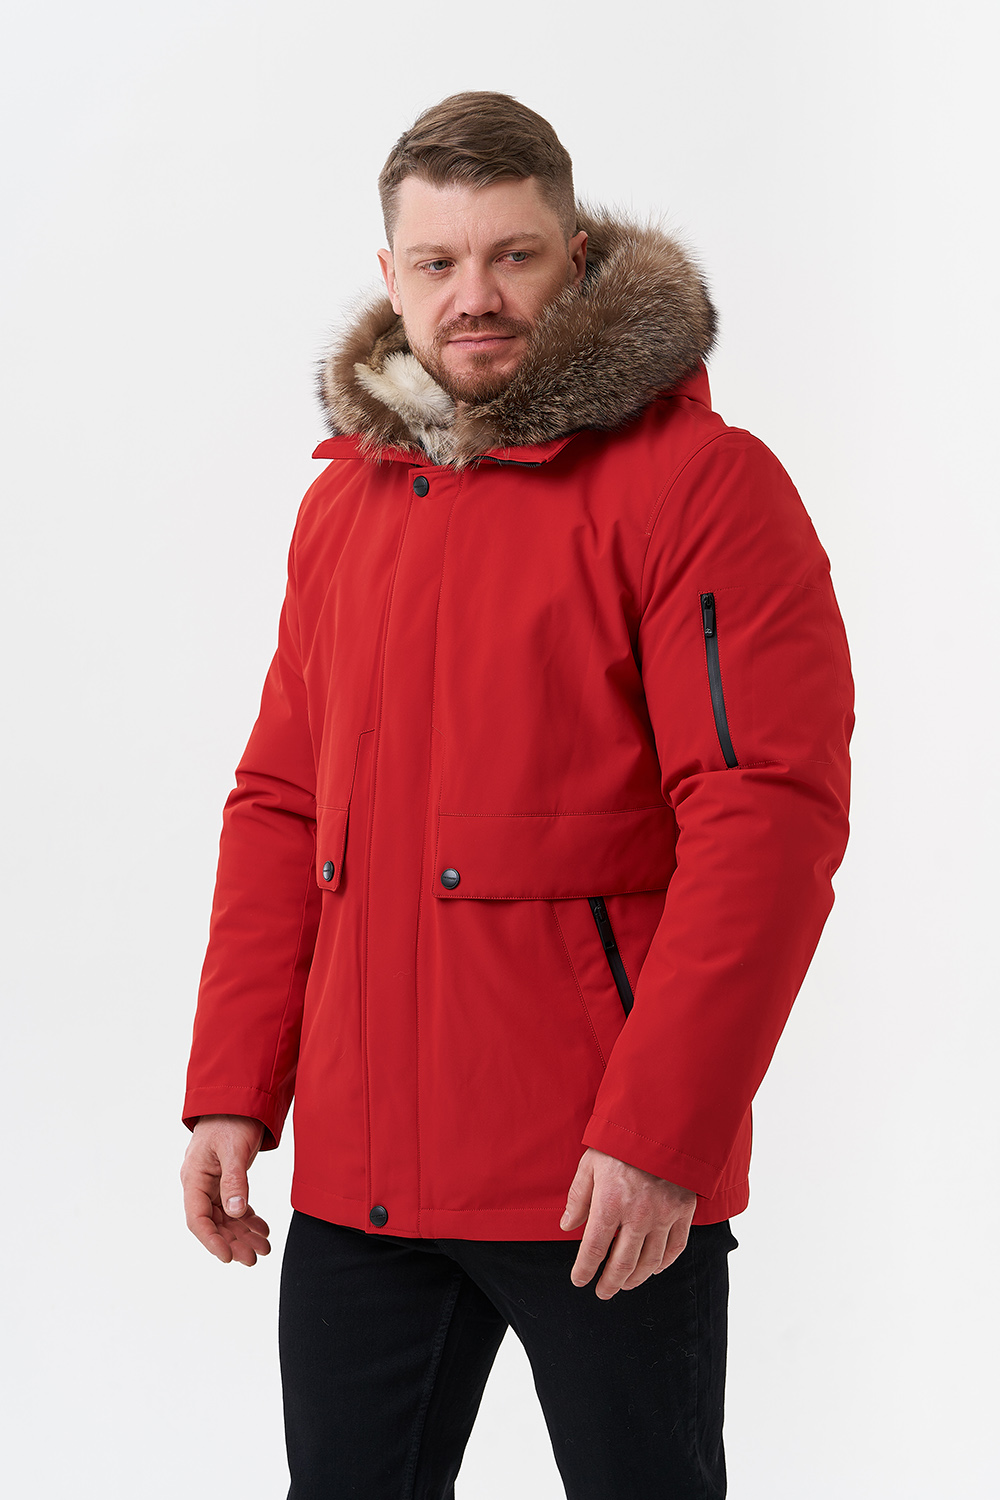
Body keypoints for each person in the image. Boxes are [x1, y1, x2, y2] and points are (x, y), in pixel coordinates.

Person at [180, 92, 854, 1498]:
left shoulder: (699, 486)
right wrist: (233, 1086)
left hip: (597, 1176)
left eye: (513, 255)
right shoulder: (344, 506)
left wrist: (661, 1132)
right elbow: (283, 803)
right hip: (365, 1174)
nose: (473, 295)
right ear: (392, 276)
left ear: (576, 254)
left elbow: (764, 820)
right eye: (438, 262)